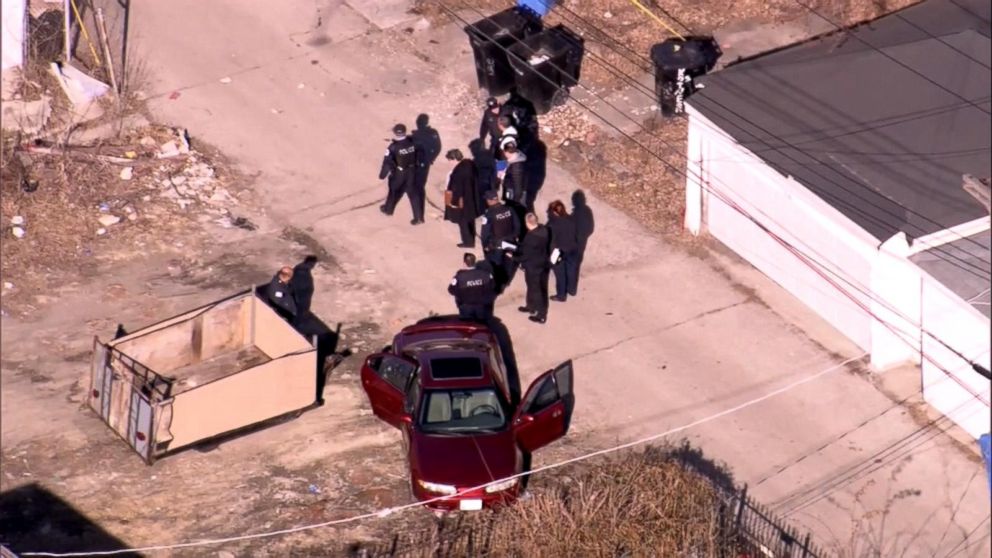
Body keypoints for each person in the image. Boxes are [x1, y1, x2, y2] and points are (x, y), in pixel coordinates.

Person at [479, 190, 521, 294]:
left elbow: (485, 234)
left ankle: (497, 287)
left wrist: (486, 247)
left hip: (496, 246)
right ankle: (505, 283)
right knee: (508, 264)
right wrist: (513, 237)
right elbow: (518, 226)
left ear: (489, 201)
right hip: (510, 243)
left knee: (496, 266)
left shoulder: (489, 215)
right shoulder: (509, 209)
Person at [378, 123, 420, 224]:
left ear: (395, 133)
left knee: (393, 191)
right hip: (412, 171)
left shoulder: (393, 147)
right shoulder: (412, 143)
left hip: (399, 173)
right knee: (413, 194)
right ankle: (418, 217)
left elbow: (387, 162)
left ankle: (388, 210)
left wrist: (382, 175)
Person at [516, 212, 550, 324]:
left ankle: (541, 315)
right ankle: (530, 306)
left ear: (527, 223)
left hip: (533, 266)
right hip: (542, 262)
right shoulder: (543, 230)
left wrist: (513, 257)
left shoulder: (531, 238)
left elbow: (525, 256)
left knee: (536, 290)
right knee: (532, 287)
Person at [443, 148, 480, 248]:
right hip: (471, 199)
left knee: (463, 223)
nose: (449, 163)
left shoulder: (457, 173)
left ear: (455, 159)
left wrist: (453, 203)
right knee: (470, 222)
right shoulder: (469, 165)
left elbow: (456, 191)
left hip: (462, 202)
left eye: (450, 160)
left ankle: (467, 242)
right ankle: (471, 241)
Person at [448, 253, 497, 322]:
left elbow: (451, 290)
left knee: (467, 326)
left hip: (465, 306)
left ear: (464, 263)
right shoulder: (486, 275)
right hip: (482, 306)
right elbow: (492, 286)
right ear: (475, 262)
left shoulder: (459, 277)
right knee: (482, 325)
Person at [411, 114, 442, 223]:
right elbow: (438, 147)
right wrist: (431, 159)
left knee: (416, 189)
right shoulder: (432, 133)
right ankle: (419, 215)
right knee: (419, 187)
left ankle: (419, 216)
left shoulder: (416, 135)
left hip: (417, 164)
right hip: (423, 164)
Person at [546, 200, 579, 301]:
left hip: (559, 251)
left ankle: (561, 295)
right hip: (573, 248)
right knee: (572, 269)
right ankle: (572, 289)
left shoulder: (552, 224)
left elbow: (551, 241)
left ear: (555, 212)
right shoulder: (571, 219)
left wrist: (551, 256)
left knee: (560, 274)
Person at [571, 189, 595, 295]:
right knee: (576, 266)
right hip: (582, 243)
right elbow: (591, 228)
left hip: (573, 243)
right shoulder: (588, 211)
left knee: (570, 265)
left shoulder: (575, 213)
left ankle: (569, 287)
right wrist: (585, 236)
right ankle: (573, 288)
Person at [500, 142, 528, 210]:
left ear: (507, 152)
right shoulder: (516, 158)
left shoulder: (517, 167)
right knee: (508, 203)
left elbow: (518, 186)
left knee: (513, 208)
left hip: (513, 191)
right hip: (510, 188)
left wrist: (515, 202)